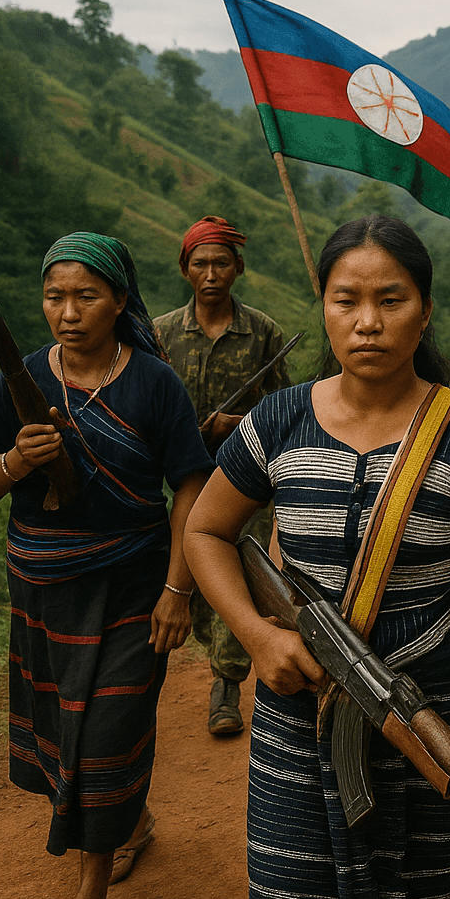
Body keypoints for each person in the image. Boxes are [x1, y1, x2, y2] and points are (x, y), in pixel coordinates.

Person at [183, 215, 450, 899]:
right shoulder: (276, 422)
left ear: (425, 310)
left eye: (391, 300)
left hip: (437, 719)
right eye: (347, 300)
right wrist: (256, 635)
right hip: (301, 715)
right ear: (324, 308)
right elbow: (206, 531)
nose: (367, 322)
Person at [0, 231, 212, 899]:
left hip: (133, 590)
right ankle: (126, 820)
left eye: (85, 296)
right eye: (54, 296)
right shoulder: (23, 383)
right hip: (42, 593)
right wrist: (15, 462)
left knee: (106, 736)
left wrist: (177, 590)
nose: (67, 312)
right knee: (59, 734)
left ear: (120, 301)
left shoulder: (155, 384)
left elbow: (191, 484)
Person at [153, 215, 292, 737]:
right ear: (185, 269)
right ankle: (214, 647)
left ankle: (227, 683)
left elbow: (283, 407)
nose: (210, 272)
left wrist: (240, 422)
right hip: (182, 478)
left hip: (246, 478)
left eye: (221, 262)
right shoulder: (162, 333)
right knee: (190, 574)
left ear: (238, 268)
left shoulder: (264, 333)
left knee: (241, 570)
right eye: (200, 263)